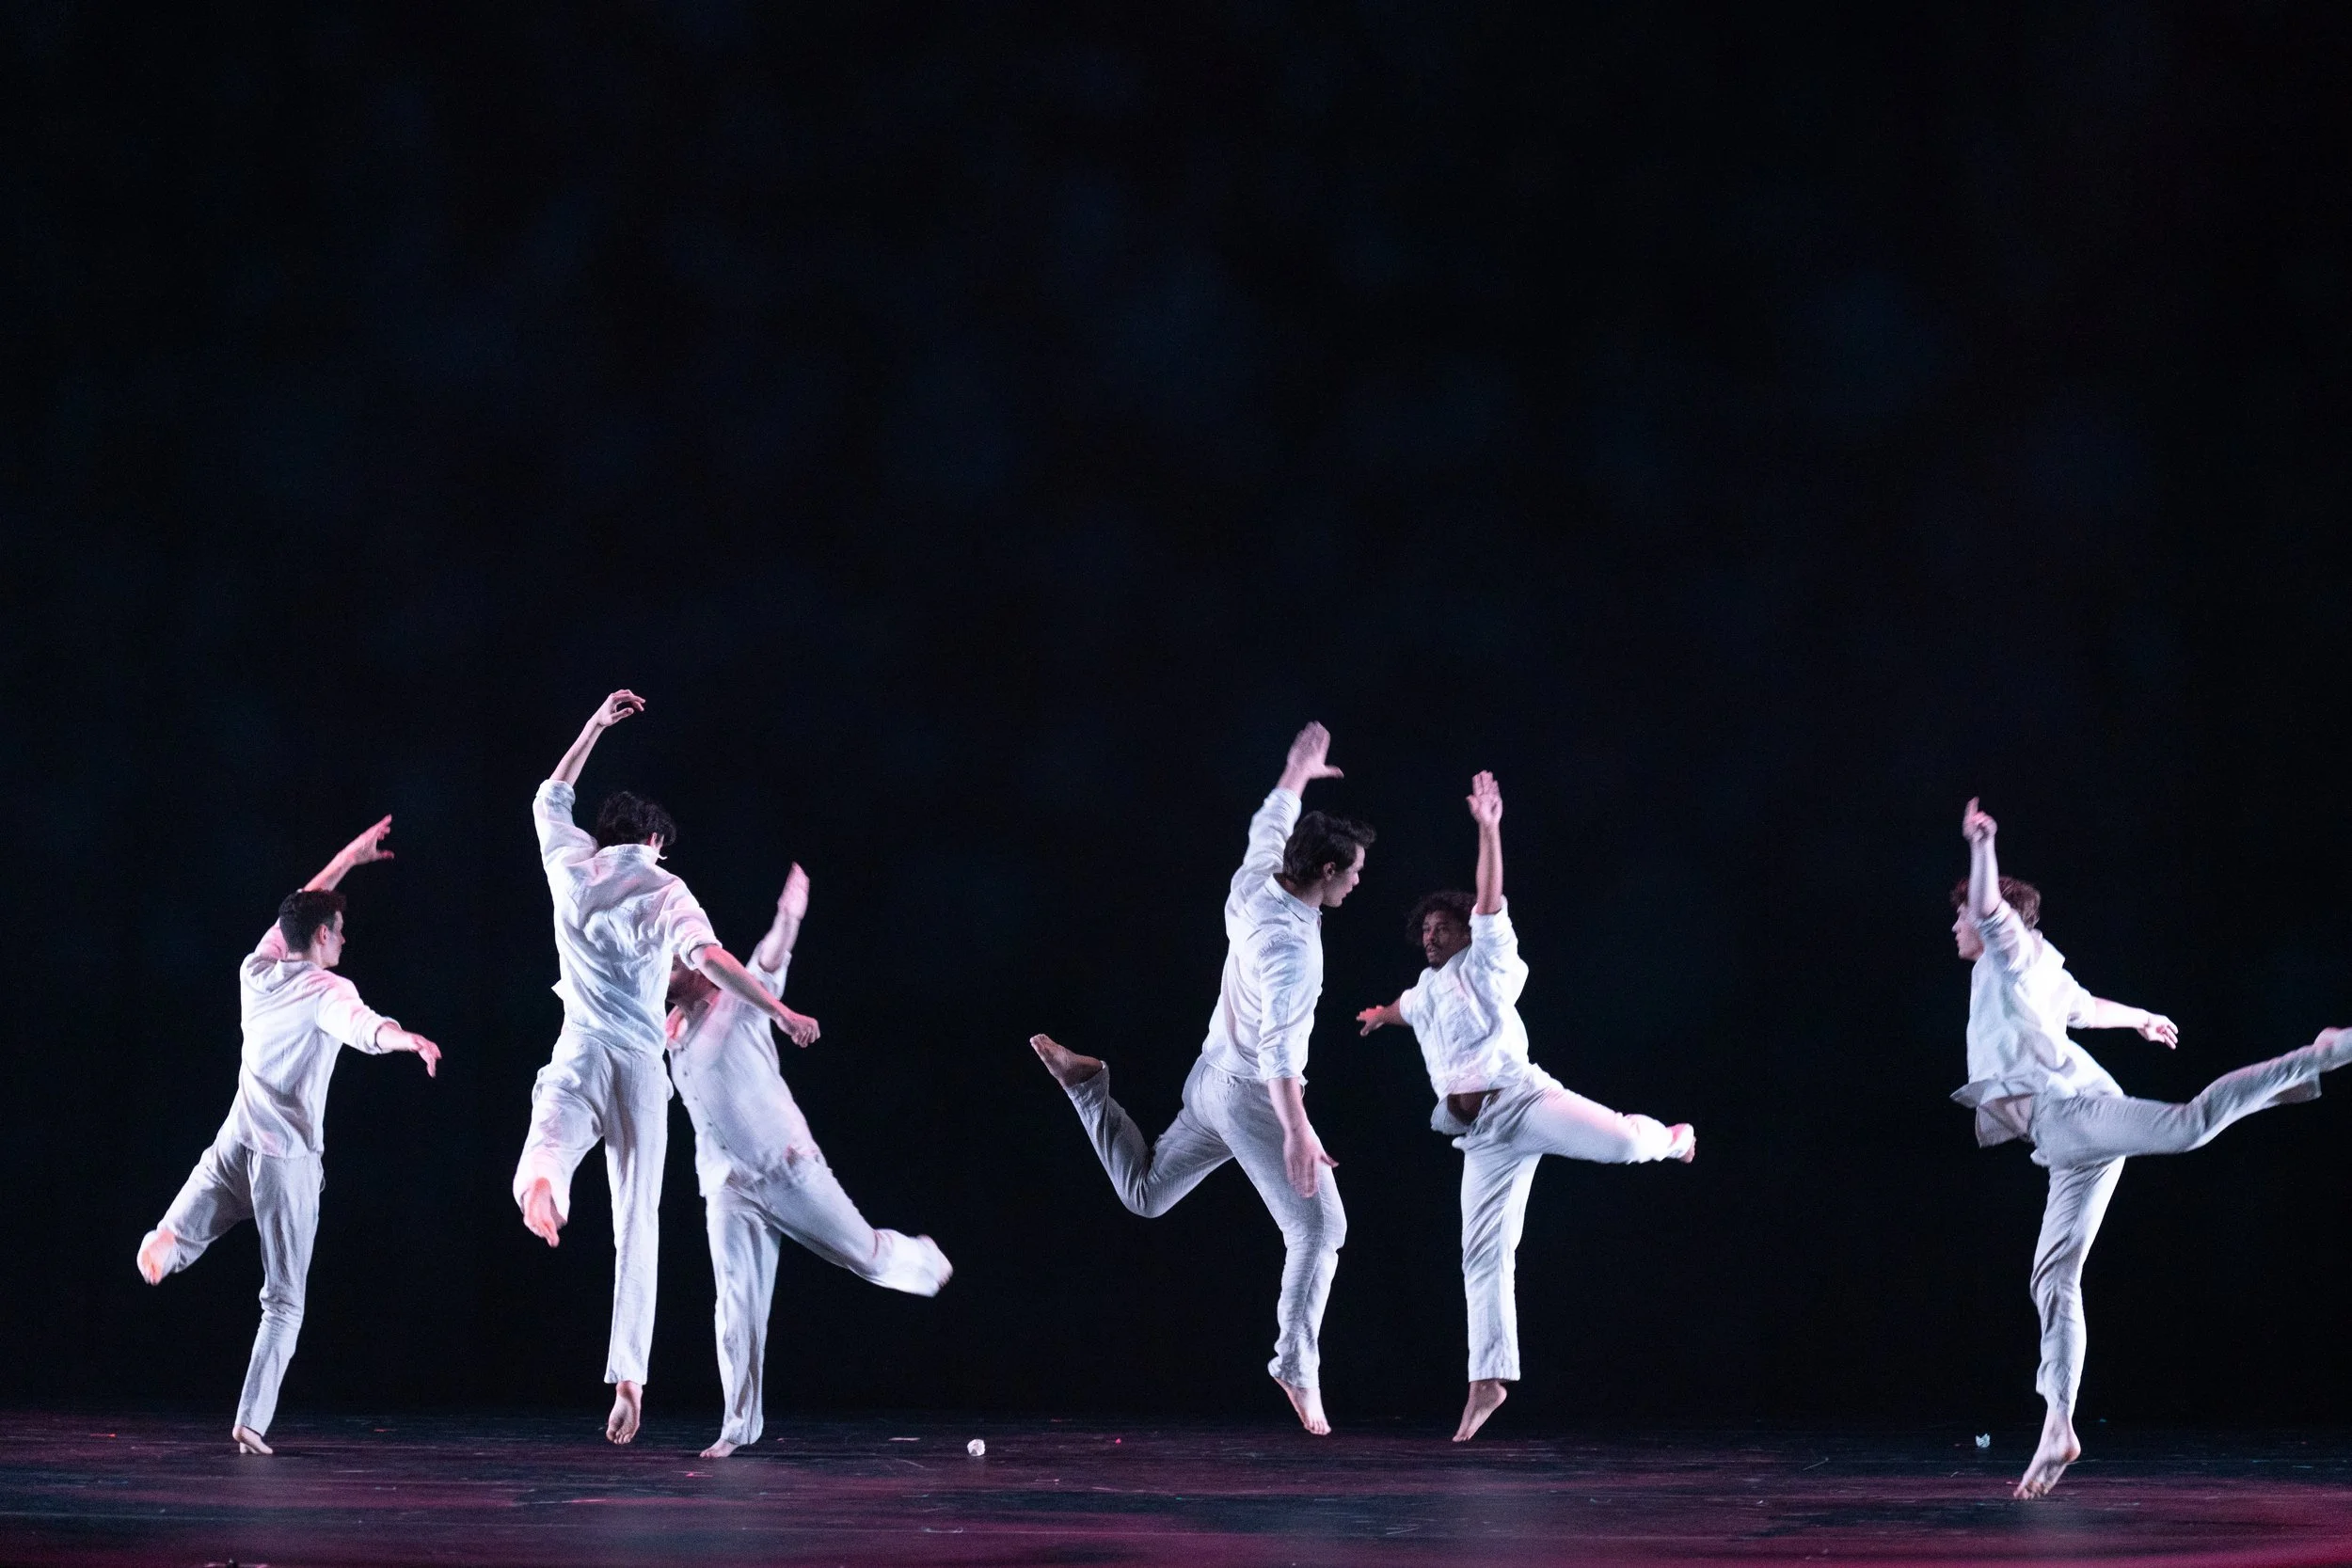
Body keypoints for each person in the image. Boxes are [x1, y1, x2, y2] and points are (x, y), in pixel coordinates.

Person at [1951, 796, 2352, 1498]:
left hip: (2069, 1113)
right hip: (2065, 1141)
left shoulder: (2008, 951)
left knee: (2189, 1125)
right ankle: (2058, 1423)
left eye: (1958, 916)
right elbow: (2085, 1007)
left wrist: (1981, 844)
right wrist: (2141, 1017)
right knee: (2052, 1277)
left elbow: (1988, 910)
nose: (1956, 926)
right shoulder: (2034, 968)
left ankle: (2318, 1056)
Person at [1030, 721, 1367, 1435]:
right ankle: (1293, 1363)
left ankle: (1088, 1088)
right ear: (1326, 870)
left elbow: (1269, 822)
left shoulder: (1256, 882)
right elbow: (1279, 1053)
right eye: (1353, 870)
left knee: (1147, 1194)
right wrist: (1298, 1131)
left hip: (1208, 1079)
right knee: (1321, 1226)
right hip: (1249, 1096)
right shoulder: (1291, 948)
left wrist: (1296, 769)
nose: (1358, 881)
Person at [1356, 771, 1693, 1442]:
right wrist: (1378, 1015)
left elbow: (1489, 901)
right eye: (1426, 929)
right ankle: (1488, 1379)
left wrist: (1489, 828)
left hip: (1525, 1101)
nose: (1431, 936)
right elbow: (1403, 1008)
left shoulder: (1488, 962)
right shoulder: (1425, 990)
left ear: (1465, 932)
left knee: (1626, 1144)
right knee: (1481, 1254)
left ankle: (1674, 1139)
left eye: (1443, 926)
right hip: (1479, 1137)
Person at [512, 689, 808, 1444]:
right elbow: (712, 960)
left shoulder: (570, 867)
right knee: (636, 1219)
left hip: (581, 1046)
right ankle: (629, 1377)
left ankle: (544, 1183)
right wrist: (780, 1011)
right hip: (641, 1069)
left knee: (552, 1122)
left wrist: (593, 725)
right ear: (650, 839)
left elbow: (552, 793)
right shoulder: (663, 885)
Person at [135, 816, 442, 1455]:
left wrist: (348, 858)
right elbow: (361, 1026)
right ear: (323, 936)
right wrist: (405, 1037)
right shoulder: (328, 988)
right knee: (283, 1301)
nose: (345, 939)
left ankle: (164, 1242)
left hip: (236, 1141)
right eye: (340, 930)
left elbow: (298, 907)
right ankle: (251, 1420)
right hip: (285, 1162)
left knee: (185, 1227)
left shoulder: (257, 969)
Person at [666, 863, 953, 1459]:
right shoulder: (671, 1032)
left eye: (669, 966)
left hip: (787, 1166)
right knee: (736, 1302)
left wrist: (789, 913)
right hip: (728, 1184)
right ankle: (737, 1426)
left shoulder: (738, 998)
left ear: (693, 966)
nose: (662, 978)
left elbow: (770, 959)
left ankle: (923, 1261)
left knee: (862, 1256)